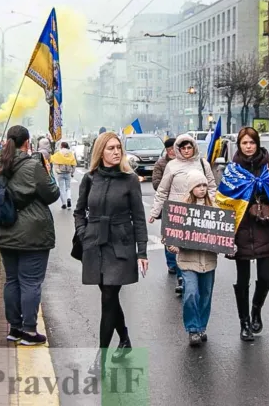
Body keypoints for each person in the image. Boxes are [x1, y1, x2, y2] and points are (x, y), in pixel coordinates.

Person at [74, 131, 148, 372]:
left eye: (119, 148)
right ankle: (124, 339)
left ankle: (101, 357)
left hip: (120, 245)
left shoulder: (130, 180)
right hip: (95, 244)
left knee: (108, 297)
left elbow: (138, 218)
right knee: (110, 298)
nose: (116, 152)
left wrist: (142, 252)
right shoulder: (90, 178)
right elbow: (79, 211)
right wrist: (83, 233)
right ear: (100, 152)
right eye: (111, 148)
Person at [222, 127, 269, 342]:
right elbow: (224, 199)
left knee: (264, 278)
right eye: (244, 143)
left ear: (257, 144)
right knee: (242, 279)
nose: (248, 146)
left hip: (265, 226)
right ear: (239, 145)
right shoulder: (232, 169)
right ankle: (244, 323)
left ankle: (256, 310)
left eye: (252, 143)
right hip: (241, 228)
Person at [0, 125, 61, 346]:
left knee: (12, 280)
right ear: (27, 142)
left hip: (5, 228)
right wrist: (48, 172)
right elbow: (52, 194)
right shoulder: (33, 165)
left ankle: (14, 327)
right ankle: (29, 330)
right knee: (30, 282)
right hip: (33, 231)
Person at [148, 134, 218, 296]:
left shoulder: (202, 164)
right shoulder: (172, 166)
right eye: (183, 148)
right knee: (177, 245)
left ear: (194, 148)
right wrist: (155, 211)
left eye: (189, 147)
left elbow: (212, 186)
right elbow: (162, 190)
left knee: (194, 245)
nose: (186, 151)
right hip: (177, 213)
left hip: (198, 212)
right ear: (178, 149)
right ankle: (182, 277)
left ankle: (193, 276)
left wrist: (211, 206)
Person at [165, 170, 218, 346]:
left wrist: (230, 246)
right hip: (188, 260)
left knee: (205, 295)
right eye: (198, 186)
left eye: (204, 185)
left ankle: (202, 326)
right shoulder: (181, 210)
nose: (202, 189)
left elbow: (223, 234)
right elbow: (172, 233)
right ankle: (193, 329)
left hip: (208, 261)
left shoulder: (215, 210)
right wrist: (172, 245)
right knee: (191, 293)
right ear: (190, 188)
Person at [152, 136, 180, 280]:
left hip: (182, 205)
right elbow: (156, 182)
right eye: (168, 149)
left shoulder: (184, 162)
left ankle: (182, 262)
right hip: (167, 206)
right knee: (168, 235)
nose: (171, 151)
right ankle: (171, 264)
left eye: (173, 148)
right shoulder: (161, 164)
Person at [50, 141, 78, 210]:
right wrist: (72, 172)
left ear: (61, 146)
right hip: (68, 172)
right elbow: (73, 164)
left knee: (61, 188)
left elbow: (55, 163)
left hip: (60, 173)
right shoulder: (70, 153)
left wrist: (57, 171)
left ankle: (64, 204)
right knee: (68, 188)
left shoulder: (58, 153)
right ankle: (69, 198)